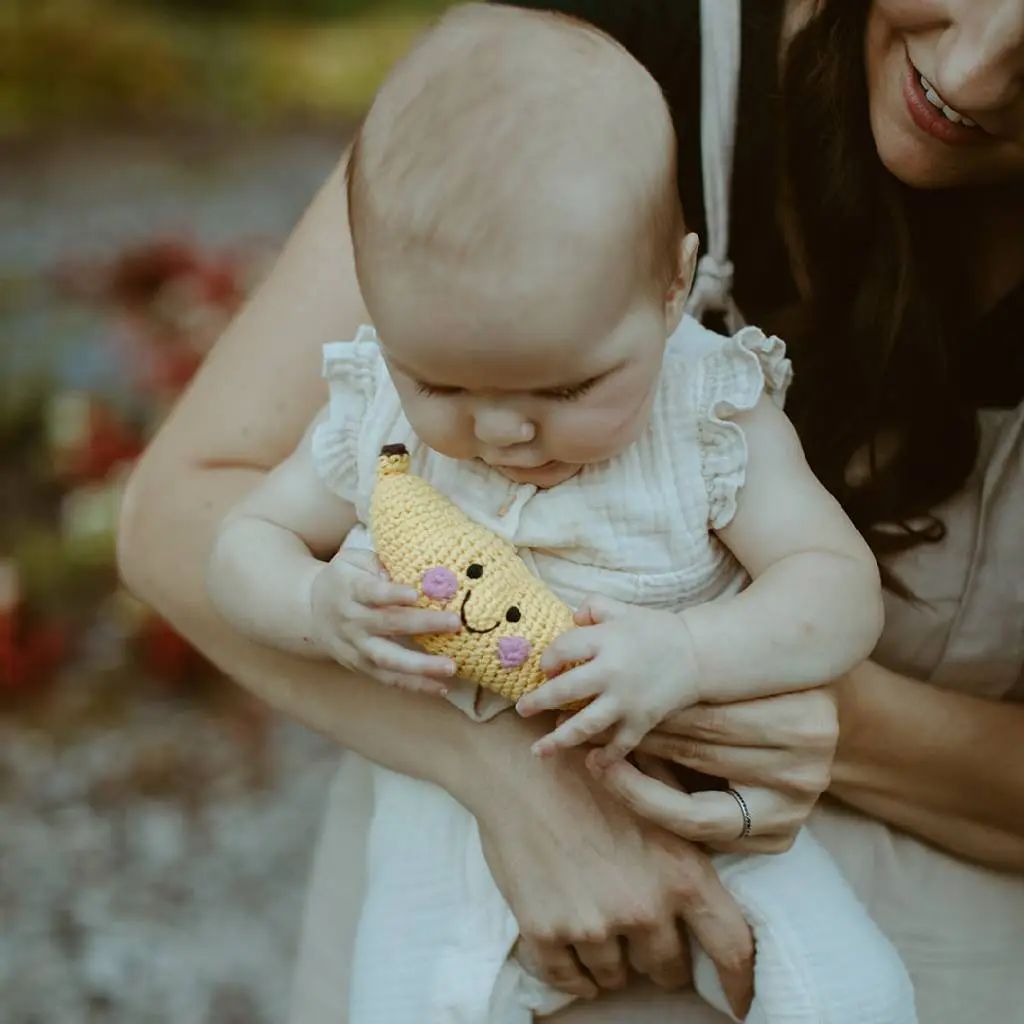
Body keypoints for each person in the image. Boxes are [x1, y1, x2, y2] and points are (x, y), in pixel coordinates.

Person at [116, 0, 1024, 1021]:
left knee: (851, 990)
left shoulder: (708, 406)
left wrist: (689, 656)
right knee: (409, 987)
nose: (502, 434)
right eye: (447, 388)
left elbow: (832, 586)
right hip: (446, 808)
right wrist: (315, 603)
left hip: (723, 807)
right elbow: (229, 533)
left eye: (562, 392)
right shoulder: (380, 402)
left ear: (673, 288)